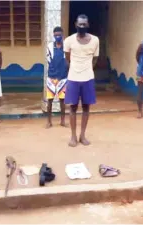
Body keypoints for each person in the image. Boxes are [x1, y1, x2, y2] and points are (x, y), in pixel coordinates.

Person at [64, 14, 99, 147]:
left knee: (86, 107)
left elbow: (95, 59)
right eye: (80, 24)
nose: (82, 26)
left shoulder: (95, 40)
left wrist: (86, 70)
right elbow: (67, 58)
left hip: (88, 78)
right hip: (73, 78)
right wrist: (76, 70)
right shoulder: (68, 41)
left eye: (84, 24)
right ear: (75, 25)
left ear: (88, 25)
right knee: (72, 107)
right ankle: (73, 136)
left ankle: (82, 135)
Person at [45, 26, 68, 128]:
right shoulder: (50, 47)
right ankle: (49, 121)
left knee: (62, 101)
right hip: (51, 77)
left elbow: (68, 61)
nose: (57, 37)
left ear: (62, 36)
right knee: (49, 100)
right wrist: (54, 76)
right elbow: (49, 62)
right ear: (53, 36)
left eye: (59, 35)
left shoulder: (66, 47)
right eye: (56, 35)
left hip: (63, 78)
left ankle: (62, 121)